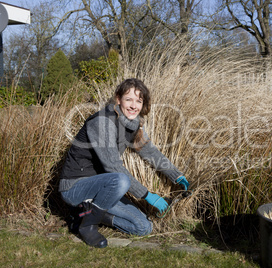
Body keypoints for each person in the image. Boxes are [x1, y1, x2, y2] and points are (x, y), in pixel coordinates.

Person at [59, 78, 189, 248]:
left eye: (139, 101)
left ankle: (86, 214)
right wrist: (147, 195)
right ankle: (87, 226)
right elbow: (113, 167)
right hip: (75, 187)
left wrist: (176, 175)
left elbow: (149, 152)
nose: (134, 105)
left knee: (143, 227)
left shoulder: (134, 125)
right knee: (120, 179)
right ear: (118, 99)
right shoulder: (102, 122)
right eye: (129, 99)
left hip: (103, 190)